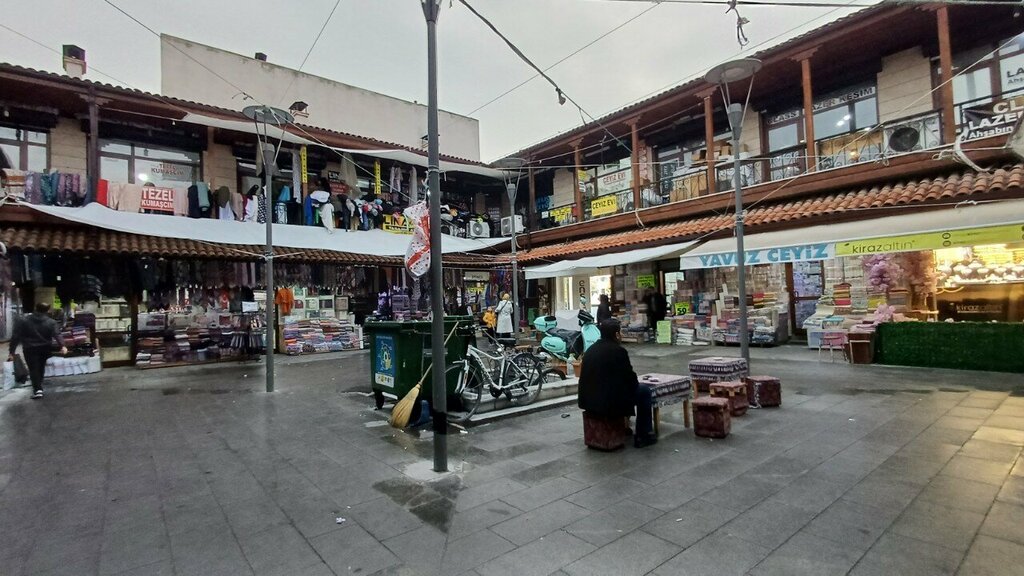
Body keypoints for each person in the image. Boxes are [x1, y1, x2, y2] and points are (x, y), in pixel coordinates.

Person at [578, 318, 657, 448]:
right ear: (616, 334)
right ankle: (643, 435)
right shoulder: (618, 351)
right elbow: (631, 380)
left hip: (587, 401)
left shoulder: (591, 350)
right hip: (606, 403)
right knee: (643, 391)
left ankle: (624, 427)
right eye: (620, 333)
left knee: (622, 390)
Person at [9, 303, 67, 399]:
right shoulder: (51, 322)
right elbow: (57, 334)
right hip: (45, 348)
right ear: (48, 310)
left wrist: (12, 351)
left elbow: (16, 336)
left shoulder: (23, 320)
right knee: (41, 366)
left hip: (29, 348)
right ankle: (39, 385)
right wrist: (62, 345)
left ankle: (37, 389)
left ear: (35, 308)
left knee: (33, 368)